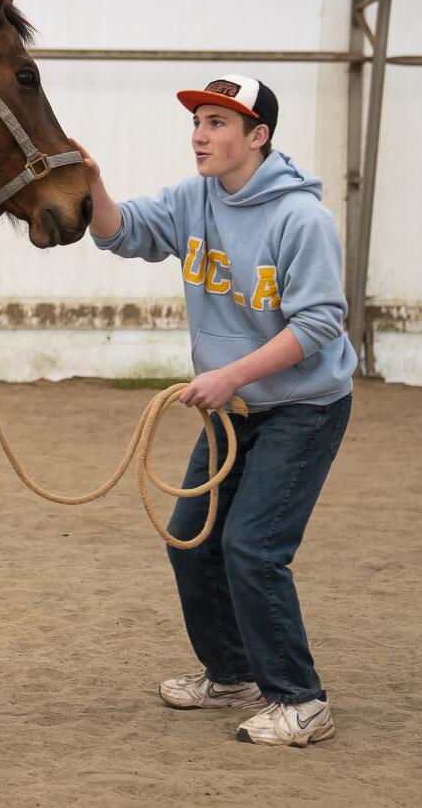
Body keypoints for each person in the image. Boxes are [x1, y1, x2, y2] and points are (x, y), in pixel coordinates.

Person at [77, 76, 357, 746]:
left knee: (252, 548)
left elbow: (319, 322)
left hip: (303, 408)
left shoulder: (302, 220)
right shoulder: (192, 198)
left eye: (217, 122)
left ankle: (302, 699)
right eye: (197, 121)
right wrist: (90, 187)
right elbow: (126, 231)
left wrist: (228, 372)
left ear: (257, 135)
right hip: (232, 409)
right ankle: (231, 673)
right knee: (193, 540)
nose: (200, 134)